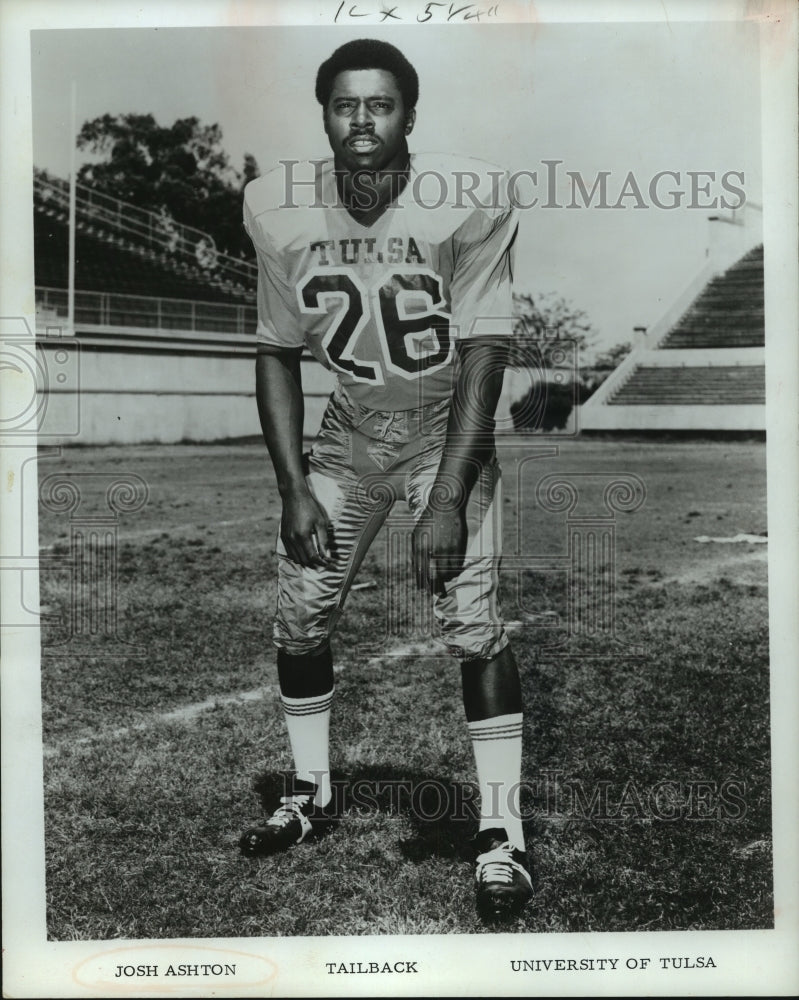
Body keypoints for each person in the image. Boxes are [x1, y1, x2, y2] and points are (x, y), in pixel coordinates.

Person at [239, 37, 531, 917]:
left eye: (381, 104)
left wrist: (447, 497)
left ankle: (500, 833)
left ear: (410, 112)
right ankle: (313, 791)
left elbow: (485, 350)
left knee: (472, 623)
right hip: (349, 433)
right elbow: (275, 351)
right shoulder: (277, 207)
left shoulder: (466, 196)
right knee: (299, 611)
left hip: (446, 430)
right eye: (344, 104)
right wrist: (293, 486)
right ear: (322, 110)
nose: (361, 120)